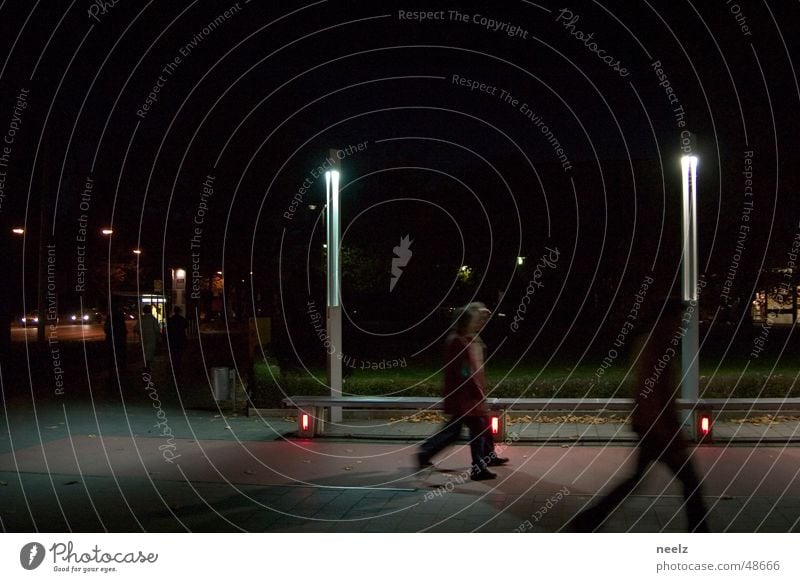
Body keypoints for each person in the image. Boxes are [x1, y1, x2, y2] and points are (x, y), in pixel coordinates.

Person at [571, 298, 710, 532]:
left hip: (652, 427)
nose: (681, 327)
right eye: (678, 320)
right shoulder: (656, 347)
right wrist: (666, 430)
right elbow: (653, 393)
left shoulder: (654, 343)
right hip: (659, 429)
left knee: (635, 479)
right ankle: (699, 532)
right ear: (666, 320)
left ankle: (589, 519)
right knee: (690, 482)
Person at [417, 302, 509, 481]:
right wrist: (477, 391)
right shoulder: (459, 341)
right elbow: (465, 372)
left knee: (463, 429)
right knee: (476, 427)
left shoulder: (466, 337)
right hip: (465, 397)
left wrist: (484, 312)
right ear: (465, 322)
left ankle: (426, 454)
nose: (479, 323)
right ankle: (478, 467)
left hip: (466, 395)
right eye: (475, 320)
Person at [104, 303, 127, 383]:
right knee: (120, 357)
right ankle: (121, 372)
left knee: (111, 358)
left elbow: (106, 329)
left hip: (111, 340)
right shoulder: (120, 319)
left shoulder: (109, 318)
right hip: (119, 340)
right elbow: (124, 331)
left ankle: (111, 373)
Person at [139, 305, 161, 372]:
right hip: (151, 337)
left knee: (145, 351)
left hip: (143, 337)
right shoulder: (153, 319)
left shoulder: (141, 319)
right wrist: (158, 337)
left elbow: (137, 328)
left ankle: (146, 365)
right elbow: (157, 330)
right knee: (150, 352)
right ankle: (148, 365)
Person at [166, 305, 188, 372]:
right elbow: (186, 325)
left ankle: (174, 362)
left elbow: (168, 328)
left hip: (173, 337)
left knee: (174, 351)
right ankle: (178, 362)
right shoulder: (182, 319)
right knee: (179, 351)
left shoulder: (171, 319)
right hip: (180, 337)